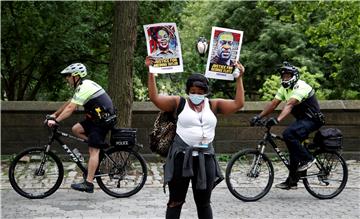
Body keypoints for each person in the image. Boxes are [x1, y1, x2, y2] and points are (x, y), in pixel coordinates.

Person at [146, 56, 245, 219]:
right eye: (193, 92)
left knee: (204, 202)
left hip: (205, 159)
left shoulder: (213, 104)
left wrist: (239, 78)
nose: (196, 95)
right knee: (176, 200)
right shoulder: (179, 103)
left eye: (200, 92)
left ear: (206, 92)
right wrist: (151, 72)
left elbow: (238, 104)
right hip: (181, 158)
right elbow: (155, 98)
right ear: (188, 91)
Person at [250, 61, 325, 190]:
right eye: (284, 76)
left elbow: (289, 104)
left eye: (288, 76)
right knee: (293, 148)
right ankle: (292, 181)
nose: (285, 78)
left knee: (288, 134)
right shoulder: (284, 88)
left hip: (313, 120)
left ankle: (308, 159)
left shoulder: (300, 86)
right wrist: (259, 116)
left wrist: (277, 120)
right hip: (302, 120)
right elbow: (273, 104)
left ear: (294, 76)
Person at [46, 63, 116, 193]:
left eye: (68, 76)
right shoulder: (82, 86)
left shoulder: (85, 86)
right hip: (95, 118)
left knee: (93, 151)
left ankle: (88, 184)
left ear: (75, 76)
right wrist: (55, 115)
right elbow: (70, 103)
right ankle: (97, 146)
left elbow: (71, 109)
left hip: (102, 120)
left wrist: (56, 121)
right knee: (76, 129)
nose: (66, 79)